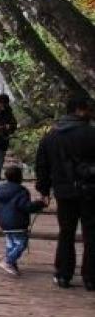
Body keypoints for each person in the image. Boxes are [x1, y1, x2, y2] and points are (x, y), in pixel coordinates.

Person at [36, 96, 95, 290]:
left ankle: (63, 275)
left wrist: (44, 190)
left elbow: (42, 164)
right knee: (91, 234)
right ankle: (91, 278)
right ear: (79, 110)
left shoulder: (51, 136)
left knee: (66, 232)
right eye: (89, 109)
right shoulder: (91, 133)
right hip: (90, 191)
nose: (91, 113)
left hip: (64, 192)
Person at [0, 165, 46, 276]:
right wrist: (40, 204)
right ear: (20, 178)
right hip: (17, 223)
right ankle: (8, 261)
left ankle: (12, 265)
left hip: (4, 224)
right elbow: (26, 207)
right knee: (21, 244)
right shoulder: (21, 191)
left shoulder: (0, 190)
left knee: (11, 244)